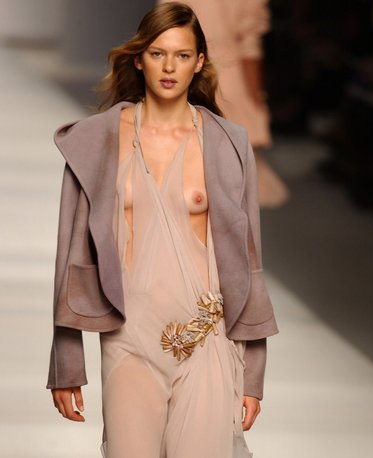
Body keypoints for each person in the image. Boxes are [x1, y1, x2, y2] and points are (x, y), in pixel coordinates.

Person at [47, 2, 278, 457]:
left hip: (206, 336)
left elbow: (249, 262)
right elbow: (71, 255)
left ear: (199, 62)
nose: (169, 67)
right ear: (139, 60)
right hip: (127, 336)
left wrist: (253, 373)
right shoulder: (96, 140)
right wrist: (65, 362)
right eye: (157, 54)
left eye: (182, 55)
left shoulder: (228, 143)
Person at [158, 0, 290, 208]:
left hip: (188, 76)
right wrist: (256, 97)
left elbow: (166, 28)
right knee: (230, 188)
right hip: (231, 81)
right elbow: (249, 45)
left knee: (185, 175)